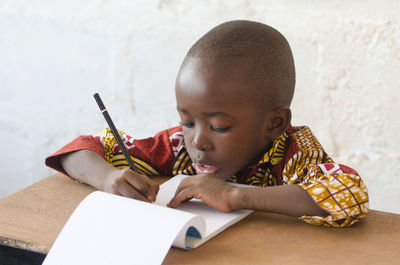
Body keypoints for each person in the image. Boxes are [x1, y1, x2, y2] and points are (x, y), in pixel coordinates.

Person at [45, 20, 369, 227]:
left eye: (219, 127)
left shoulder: (295, 152)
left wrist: (233, 194)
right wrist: (108, 177)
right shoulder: (180, 147)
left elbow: (348, 195)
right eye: (186, 121)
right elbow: (81, 149)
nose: (197, 141)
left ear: (275, 124)